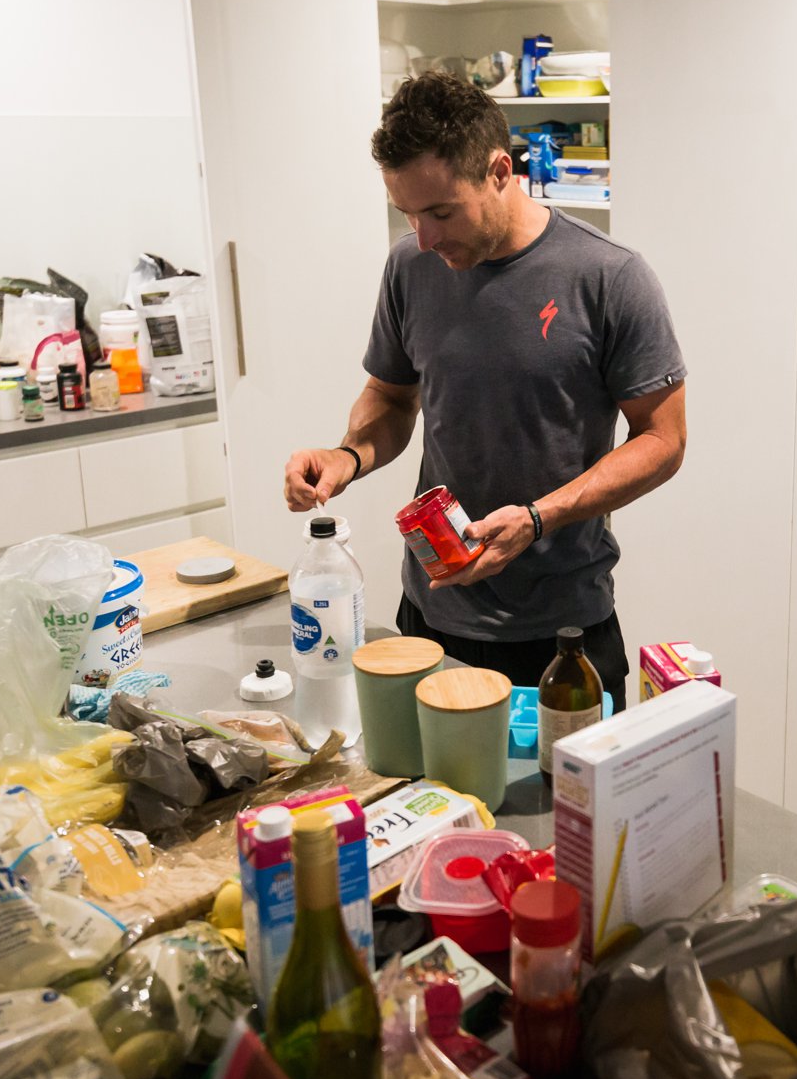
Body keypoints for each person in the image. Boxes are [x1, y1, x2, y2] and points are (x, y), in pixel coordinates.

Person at [282, 72, 686, 708]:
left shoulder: (609, 276)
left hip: (561, 636)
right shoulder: (410, 267)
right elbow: (391, 397)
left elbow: (664, 440)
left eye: (442, 211)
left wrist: (539, 517)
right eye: (408, 214)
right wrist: (348, 455)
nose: (425, 237)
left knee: (561, 809)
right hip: (430, 619)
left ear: (500, 171)